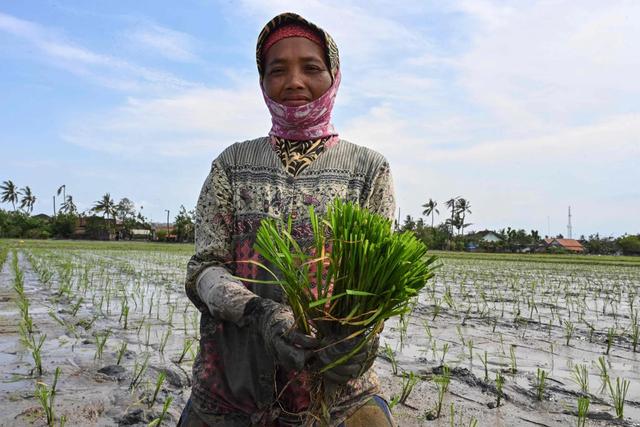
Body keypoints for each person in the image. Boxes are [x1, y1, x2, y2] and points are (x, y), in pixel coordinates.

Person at [179, 12, 396, 427]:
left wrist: (355, 344)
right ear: (262, 82)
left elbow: (374, 288)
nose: (294, 81)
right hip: (231, 387)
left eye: (311, 68)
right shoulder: (232, 163)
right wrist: (262, 313)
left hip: (336, 394)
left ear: (334, 76)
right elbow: (205, 269)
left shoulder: (369, 170)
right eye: (277, 70)